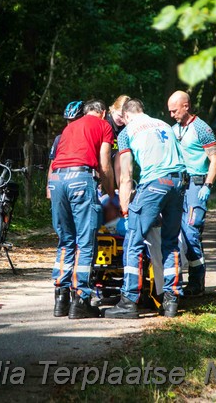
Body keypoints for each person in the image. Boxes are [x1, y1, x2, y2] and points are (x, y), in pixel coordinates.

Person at [104, 98, 186, 319]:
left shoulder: (126, 131)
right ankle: (171, 300)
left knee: (133, 241)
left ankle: (129, 301)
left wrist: (124, 207)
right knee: (170, 242)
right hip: (178, 184)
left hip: (154, 185)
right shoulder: (164, 125)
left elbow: (126, 174)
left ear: (127, 115)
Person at [48, 100, 115, 319]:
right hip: (80, 178)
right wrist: (110, 192)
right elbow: (104, 162)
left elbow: (55, 159)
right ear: (103, 112)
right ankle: (81, 300)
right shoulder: (104, 126)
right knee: (85, 242)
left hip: (57, 179)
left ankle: (61, 298)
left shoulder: (69, 127)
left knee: (65, 240)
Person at [167, 91, 216, 296]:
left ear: (186, 106)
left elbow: (215, 160)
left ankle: (197, 281)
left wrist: (208, 185)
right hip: (178, 184)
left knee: (191, 232)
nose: (172, 114)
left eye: (175, 110)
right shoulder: (173, 129)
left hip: (196, 185)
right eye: (170, 111)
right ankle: (175, 278)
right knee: (175, 231)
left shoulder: (202, 128)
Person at [46, 100, 84, 199]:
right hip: (60, 182)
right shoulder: (59, 138)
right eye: (68, 121)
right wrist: (49, 186)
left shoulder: (86, 138)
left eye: (74, 120)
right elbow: (52, 164)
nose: (70, 124)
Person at [105, 95, 128, 184]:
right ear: (113, 109)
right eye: (119, 115)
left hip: (118, 168)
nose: (122, 120)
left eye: (124, 117)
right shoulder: (105, 123)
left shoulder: (126, 127)